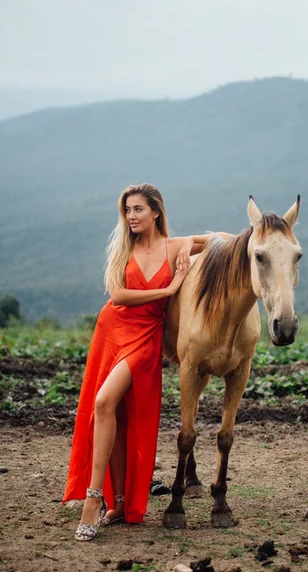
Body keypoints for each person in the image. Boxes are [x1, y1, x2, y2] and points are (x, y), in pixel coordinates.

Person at [63, 183, 211, 541]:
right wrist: (170, 288)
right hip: (111, 330)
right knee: (113, 411)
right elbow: (118, 295)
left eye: (138, 209)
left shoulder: (175, 245)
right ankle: (115, 501)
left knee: (103, 402)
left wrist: (190, 248)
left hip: (145, 339)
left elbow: (223, 240)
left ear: (156, 211)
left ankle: (92, 501)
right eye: (127, 210)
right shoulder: (123, 247)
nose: (131, 216)